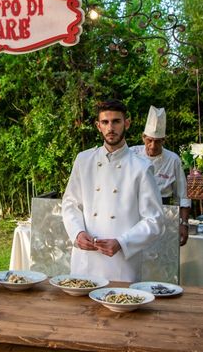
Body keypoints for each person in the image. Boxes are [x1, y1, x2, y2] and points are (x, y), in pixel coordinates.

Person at [61, 99, 165, 282]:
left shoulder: (141, 167)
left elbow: (154, 219)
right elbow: (70, 203)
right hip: (86, 259)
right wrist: (77, 233)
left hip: (121, 263)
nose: (111, 128)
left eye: (116, 121)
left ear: (127, 123)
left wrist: (122, 243)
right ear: (98, 126)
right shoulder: (83, 160)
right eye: (105, 122)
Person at [130, 106, 191, 246]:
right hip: (134, 211)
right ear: (143, 137)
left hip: (163, 213)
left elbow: (183, 195)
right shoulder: (132, 154)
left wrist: (183, 223)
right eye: (149, 140)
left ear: (164, 140)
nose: (152, 145)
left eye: (158, 141)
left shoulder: (173, 159)